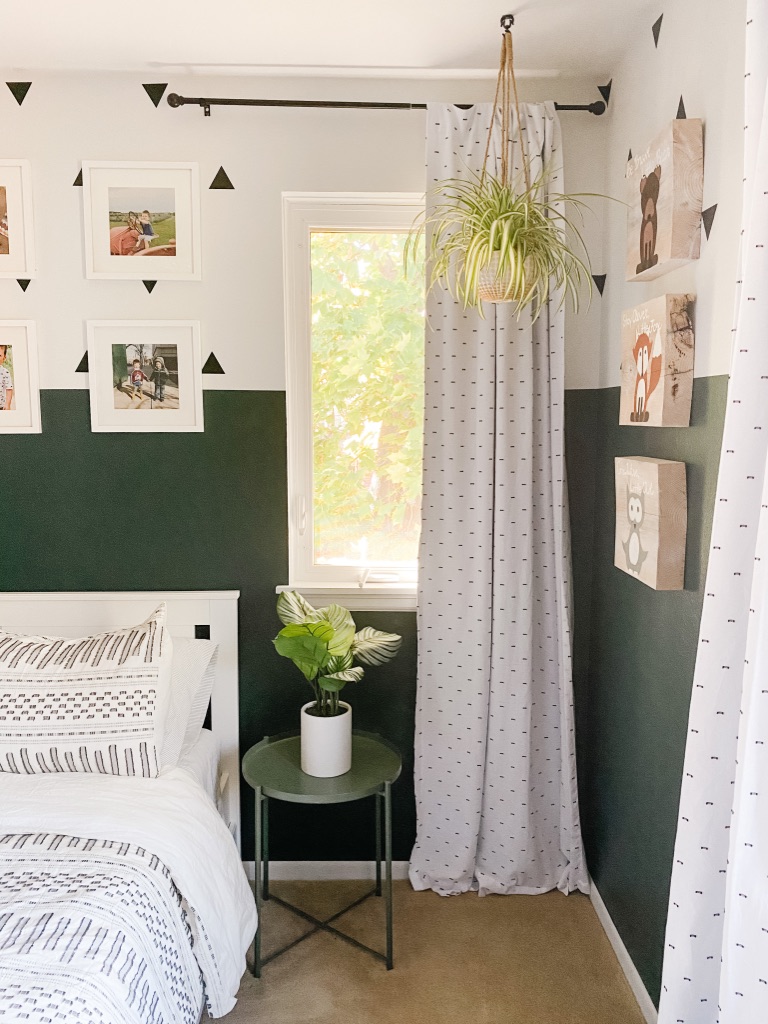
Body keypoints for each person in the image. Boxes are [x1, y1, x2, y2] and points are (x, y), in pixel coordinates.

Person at [0, 345, 13, 411]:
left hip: (1, 406)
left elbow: (9, 389)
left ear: (4, 358)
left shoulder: (5, 372)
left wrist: (7, 404)